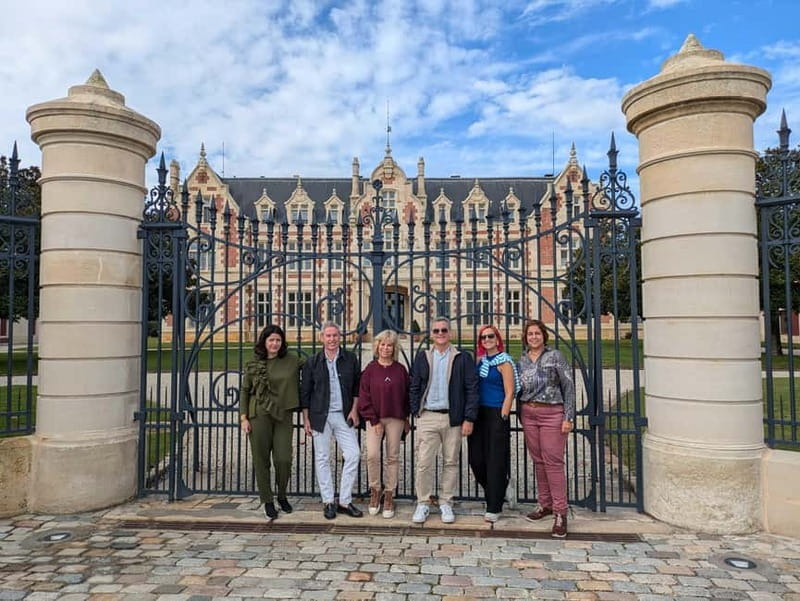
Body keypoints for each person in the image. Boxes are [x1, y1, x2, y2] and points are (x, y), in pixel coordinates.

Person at [409, 316, 479, 524]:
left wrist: (469, 418)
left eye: (444, 330)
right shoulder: (423, 357)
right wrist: (416, 411)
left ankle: (446, 501)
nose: (440, 334)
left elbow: (472, 389)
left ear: (450, 333)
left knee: (451, 462)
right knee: (424, 462)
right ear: (431, 334)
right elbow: (414, 385)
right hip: (428, 416)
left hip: (453, 418)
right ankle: (423, 502)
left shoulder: (462, 358)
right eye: (437, 331)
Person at [517, 319, 575, 538]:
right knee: (539, 461)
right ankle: (545, 504)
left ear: (544, 336)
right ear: (525, 337)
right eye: (530, 334)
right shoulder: (521, 360)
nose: (533, 337)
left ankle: (561, 512)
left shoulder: (555, 357)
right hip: (529, 413)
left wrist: (568, 416)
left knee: (553, 461)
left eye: (537, 334)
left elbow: (568, 386)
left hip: (552, 413)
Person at [239, 324, 304, 520]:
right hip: (258, 415)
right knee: (261, 459)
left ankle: (282, 495)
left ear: (282, 342)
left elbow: (315, 369)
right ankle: (267, 500)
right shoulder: (253, 363)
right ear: (264, 342)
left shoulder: (292, 361)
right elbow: (244, 390)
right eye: (271, 340)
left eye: (278, 340)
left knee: (283, 459)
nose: (274, 343)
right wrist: (243, 417)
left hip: (283, 415)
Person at [300, 321, 364, 519]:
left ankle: (344, 500)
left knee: (353, 454)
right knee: (322, 458)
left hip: (343, 414)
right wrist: (306, 419)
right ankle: (328, 500)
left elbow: (356, 387)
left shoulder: (350, 358)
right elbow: (306, 392)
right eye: (328, 336)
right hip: (320, 415)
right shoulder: (312, 362)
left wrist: (354, 411)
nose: (332, 339)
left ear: (340, 337)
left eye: (335, 335)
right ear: (322, 338)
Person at [468, 324, 519, 523]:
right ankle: (501, 488)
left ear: (497, 339)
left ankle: (494, 505)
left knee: (495, 460)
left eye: (490, 336)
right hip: (478, 413)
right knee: (476, 459)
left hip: (496, 412)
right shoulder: (480, 361)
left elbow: (510, 391)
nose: (487, 340)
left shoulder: (504, 362)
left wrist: (504, 415)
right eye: (483, 337)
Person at [358, 329, 410, 518]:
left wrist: (406, 418)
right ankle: (375, 490)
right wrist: (373, 419)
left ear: (394, 348)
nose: (386, 348)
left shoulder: (400, 370)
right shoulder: (370, 370)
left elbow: (407, 396)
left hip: (395, 418)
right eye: (383, 344)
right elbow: (364, 397)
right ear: (377, 346)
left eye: (390, 345)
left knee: (392, 457)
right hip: (375, 419)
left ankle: (389, 494)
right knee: (372, 455)